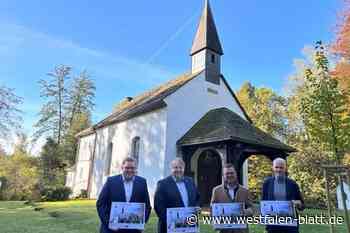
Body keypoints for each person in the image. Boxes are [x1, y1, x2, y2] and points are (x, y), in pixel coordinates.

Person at [96, 157, 152, 233]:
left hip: (133, 230)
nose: (130, 170)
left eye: (132, 168)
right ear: (122, 168)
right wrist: (109, 223)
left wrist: (142, 223)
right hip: (111, 230)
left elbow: (147, 206)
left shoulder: (142, 182)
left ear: (135, 169)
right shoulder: (111, 181)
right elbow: (101, 204)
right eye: (127, 168)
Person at [154, 158, 200, 233]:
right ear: (171, 169)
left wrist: (197, 207)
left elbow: (197, 198)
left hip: (189, 225)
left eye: (180, 167)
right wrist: (171, 222)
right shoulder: (162, 184)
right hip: (169, 228)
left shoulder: (190, 181)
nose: (178, 170)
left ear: (184, 169)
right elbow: (158, 207)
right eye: (175, 167)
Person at [261, 157, 304, 233]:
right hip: (273, 224)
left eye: (281, 167)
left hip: (290, 224)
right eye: (276, 167)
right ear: (273, 168)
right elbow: (264, 203)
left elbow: (302, 205)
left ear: (285, 169)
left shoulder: (293, 184)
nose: (279, 170)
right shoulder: (267, 183)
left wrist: (298, 203)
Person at [211, 163, 254, 233]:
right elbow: (212, 210)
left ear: (236, 174)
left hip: (241, 230)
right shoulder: (216, 191)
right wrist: (216, 223)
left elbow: (251, 209)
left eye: (232, 173)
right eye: (227, 173)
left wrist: (246, 212)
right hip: (224, 230)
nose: (229, 175)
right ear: (223, 176)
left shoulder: (245, 191)